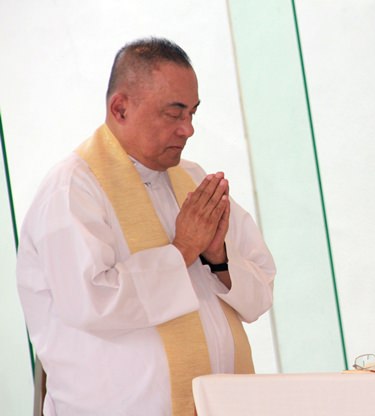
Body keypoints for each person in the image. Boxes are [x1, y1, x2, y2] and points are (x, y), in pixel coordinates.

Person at [16, 37, 276, 415]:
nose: (188, 130)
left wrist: (218, 257)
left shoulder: (193, 179)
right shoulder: (72, 190)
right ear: (120, 108)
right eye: (174, 113)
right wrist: (183, 250)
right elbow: (92, 303)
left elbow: (261, 292)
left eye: (193, 113)